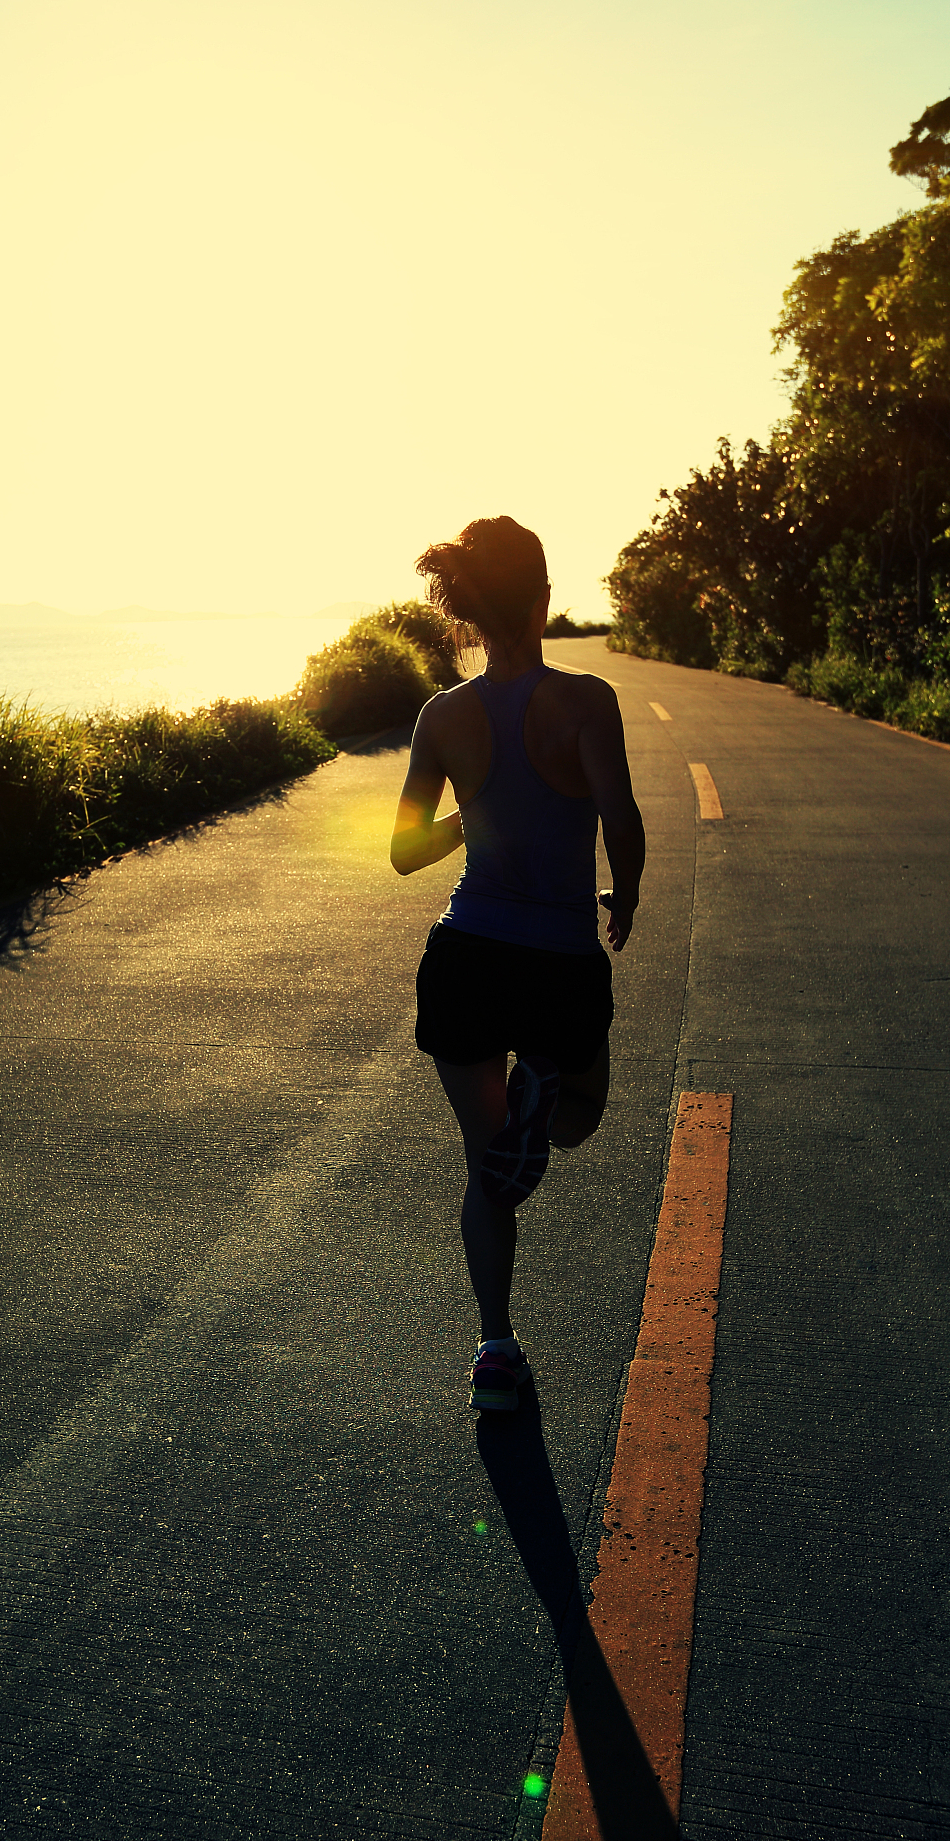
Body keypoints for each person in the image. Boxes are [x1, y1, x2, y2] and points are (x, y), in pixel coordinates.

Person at [390, 516, 645, 1414]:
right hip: (557, 956)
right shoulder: (586, 701)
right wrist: (629, 894)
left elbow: (404, 854)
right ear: (541, 599)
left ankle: (494, 1350)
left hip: (465, 956)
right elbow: (622, 821)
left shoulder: (442, 715)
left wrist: (475, 813)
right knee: (574, 1118)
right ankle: (544, 1084)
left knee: (484, 1159)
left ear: (464, 611)